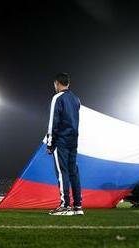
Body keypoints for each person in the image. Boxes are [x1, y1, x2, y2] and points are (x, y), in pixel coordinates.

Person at [46, 72, 83, 216]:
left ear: (57, 83)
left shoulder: (57, 98)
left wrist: (50, 143)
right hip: (73, 141)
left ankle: (65, 205)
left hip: (61, 140)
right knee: (74, 172)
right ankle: (78, 206)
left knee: (62, 172)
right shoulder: (76, 99)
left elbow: (52, 122)